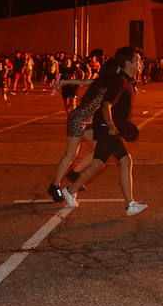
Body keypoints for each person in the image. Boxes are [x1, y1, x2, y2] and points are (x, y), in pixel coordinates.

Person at [60, 47, 147, 217]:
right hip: (105, 128)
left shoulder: (128, 81)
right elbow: (106, 105)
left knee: (97, 164)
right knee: (126, 161)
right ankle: (130, 205)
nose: (140, 63)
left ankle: (70, 191)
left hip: (109, 127)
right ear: (128, 62)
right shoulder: (120, 81)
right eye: (137, 60)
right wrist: (110, 125)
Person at [48, 59, 118, 202]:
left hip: (88, 121)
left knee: (100, 148)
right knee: (71, 154)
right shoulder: (106, 84)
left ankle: (75, 174)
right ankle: (55, 186)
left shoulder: (105, 82)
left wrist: (64, 83)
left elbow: (84, 82)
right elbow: (84, 82)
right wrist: (63, 83)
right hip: (78, 119)